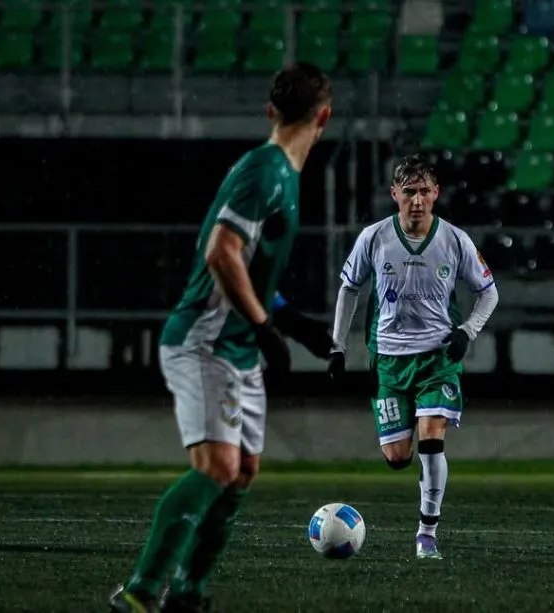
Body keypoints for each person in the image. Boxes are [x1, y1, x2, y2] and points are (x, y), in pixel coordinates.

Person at [109, 61, 333, 613]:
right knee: (218, 467)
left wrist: (290, 321)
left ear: (270, 111)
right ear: (325, 116)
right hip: (205, 341)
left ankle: (187, 594)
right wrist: (264, 328)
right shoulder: (265, 172)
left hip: (236, 346)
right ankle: (139, 594)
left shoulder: (280, 174)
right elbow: (221, 254)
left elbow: (249, 271)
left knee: (243, 473)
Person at [327, 153, 499, 560]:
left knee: (432, 438)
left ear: (436, 193)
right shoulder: (374, 237)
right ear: (394, 195)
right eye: (409, 192)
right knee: (397, 457)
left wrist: (466, 331)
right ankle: (416, 491)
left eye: (424, 191)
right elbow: (349, 289)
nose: (417, 200)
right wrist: (338, 347)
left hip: (437, 358)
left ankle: (426, 534)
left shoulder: (455, 239)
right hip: (388, 360)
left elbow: (489, 292)